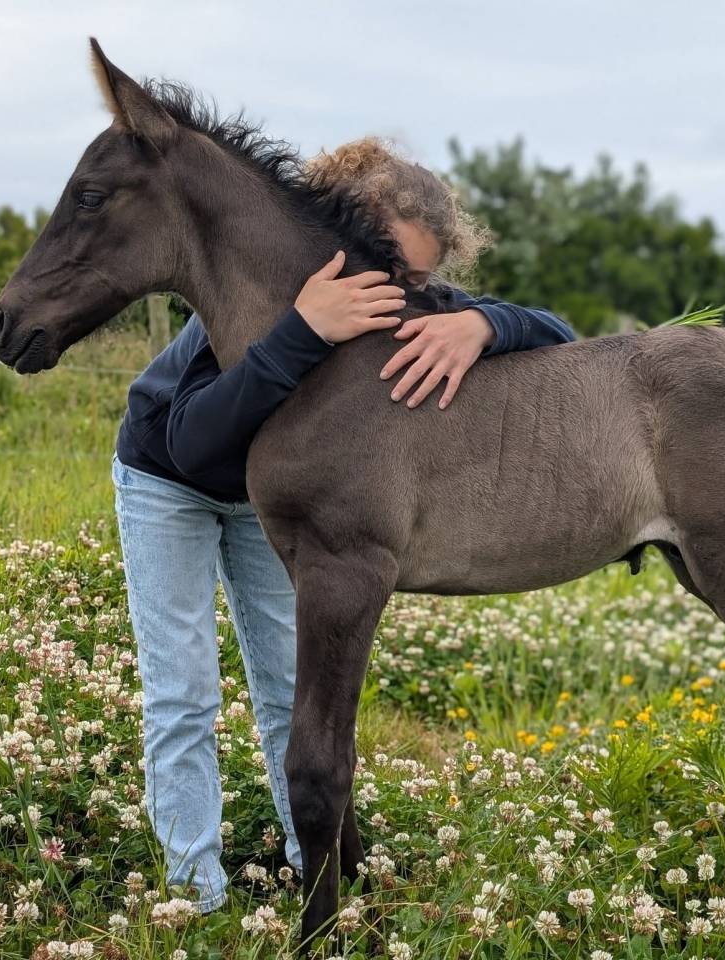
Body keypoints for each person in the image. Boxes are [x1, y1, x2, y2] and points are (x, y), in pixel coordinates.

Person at [111, 137, 574, 911]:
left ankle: (314, 860)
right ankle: (194, 895)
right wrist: (302, 329)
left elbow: (559, 335)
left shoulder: (403, 294)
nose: (397, 290)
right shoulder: (263, 294)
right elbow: (192, 444)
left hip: (277, 500)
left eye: (416, 279)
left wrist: (484, 325)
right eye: (387, 266)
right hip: (169, 481)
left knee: (289, 685)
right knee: (183, 691)